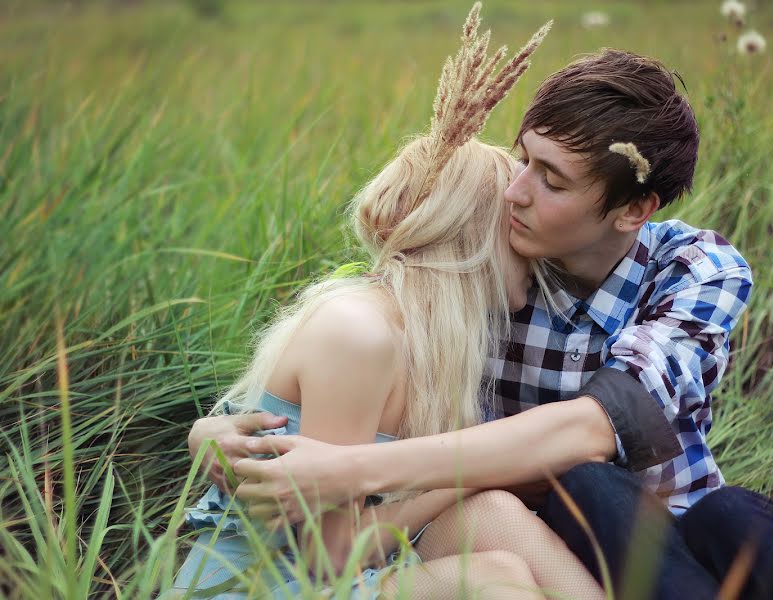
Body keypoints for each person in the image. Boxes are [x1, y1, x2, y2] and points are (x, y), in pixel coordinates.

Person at [193, 48, 773, 599]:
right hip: (525, 524)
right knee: (530, 525)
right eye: (523, 159)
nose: (515, 193)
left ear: (633, 209)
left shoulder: (694, 269)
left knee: (704, 506)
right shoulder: (474, 296)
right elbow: (373, 308)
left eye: (552, 181)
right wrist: (213, 429)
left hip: (652, 519)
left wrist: (353, 471)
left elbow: (596, 430)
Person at [172, 6, 603, 600]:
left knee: (497, 513)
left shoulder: (432, 343)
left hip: (340, 573)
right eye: (516, 232)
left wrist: (471, 483)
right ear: (475, 242)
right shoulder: (360, 333)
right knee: (495, 578)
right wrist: (466, 473)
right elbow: (329, 557)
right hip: (261, 584)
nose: (538, 257)